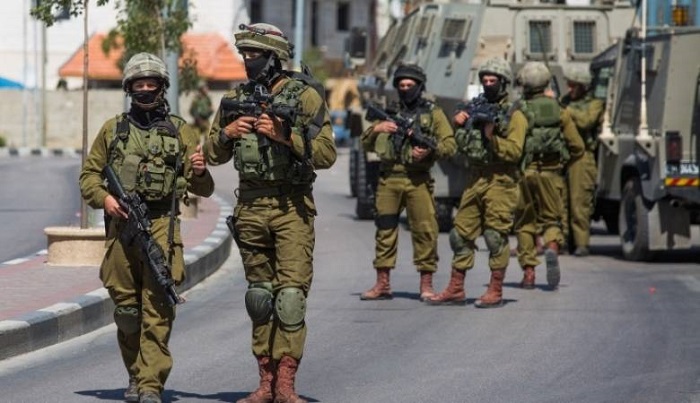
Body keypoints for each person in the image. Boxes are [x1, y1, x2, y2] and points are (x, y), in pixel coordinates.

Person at [204, 23, 336, 403]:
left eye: (255, 55)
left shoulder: (305, 97)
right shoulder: (235, 99)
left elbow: (327, 154)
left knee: (290, 298)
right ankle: (265, 383)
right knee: (260, 298)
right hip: (250, 207)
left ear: (275, 57)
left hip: (291, 207)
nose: (249, 61)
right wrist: (228, 133)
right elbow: (211, 153)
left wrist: (285, 136)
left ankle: (285, 385)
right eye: (244, 55)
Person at [79, 52, 214, 403]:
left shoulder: (180, 130)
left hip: (161, 227)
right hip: (121, 227)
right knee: (127, 312)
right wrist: (105, 199)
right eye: (138, 84)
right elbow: (89, 176)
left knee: (158, 309)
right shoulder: (113, 130)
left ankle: (151, 383)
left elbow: (203, 188)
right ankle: (136, 375)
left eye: (151, 83)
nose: (145, 90)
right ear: (129, 88)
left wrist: (200, 171)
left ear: (162, 87)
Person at [427, 57, 526, 308]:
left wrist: (492, 138)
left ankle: (495, 289)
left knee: (494, 236)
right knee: (460, 235)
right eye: (485, 80)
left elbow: (515, 151)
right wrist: (459, 125)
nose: (488, 84)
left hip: (500, 180)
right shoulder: (475, 107)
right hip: (475, 179)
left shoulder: (514, 114)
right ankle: (456, 288)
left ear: (503, 82)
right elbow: (461, 146)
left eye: (493, 80)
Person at [359, 64, 456, 302]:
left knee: (425, 231)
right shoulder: (388, 112)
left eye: (410, 85)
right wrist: (377, 129)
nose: (405, 89)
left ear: (420, 87)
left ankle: (426, 284)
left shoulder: (433, 113)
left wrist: (430, 152)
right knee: (385, 230)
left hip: (418, 180)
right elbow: (365, 143)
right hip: (389, 179)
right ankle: (382, 284)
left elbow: (450, 145)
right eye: (401, 85)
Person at [513, 62, 584, 290]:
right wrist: (562, 164)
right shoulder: (560, 111)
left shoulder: (519, 110)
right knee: (551, 220)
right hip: (552, 174)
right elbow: (577, 147)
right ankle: (552, 248)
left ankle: (529, 274)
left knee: (525, 222)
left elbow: (512, 146)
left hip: (525, 173)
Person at [559, 66, 604, 257]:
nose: (569, 88)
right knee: (561, 202)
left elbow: (586, 121)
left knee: (580, 202)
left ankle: (581, 243)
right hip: (564, 155)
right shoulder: (564, 102)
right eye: (568, 84)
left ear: (583, 86)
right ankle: (563, 241)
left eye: (573, 85)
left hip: (583, 157)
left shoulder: (595, 104)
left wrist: (565, 110)